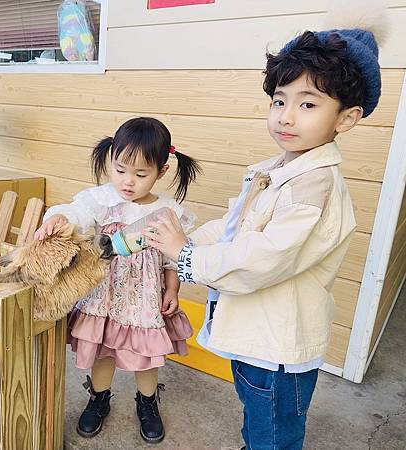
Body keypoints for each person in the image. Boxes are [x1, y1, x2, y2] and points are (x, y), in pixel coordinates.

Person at [145, 22, 384, 449]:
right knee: (258, 417)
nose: (286, 116)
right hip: (254, 335)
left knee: (274, 428)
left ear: (346, 118)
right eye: (279, 100)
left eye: (308, 104)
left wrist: (187, 257)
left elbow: (264, 257)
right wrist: (186, 239)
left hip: (277, 347)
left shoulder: (315, 186)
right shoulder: (274, 169)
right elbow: (236, 227)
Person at [34, 117, 200, 443]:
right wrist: (57, 218)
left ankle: (147, 402)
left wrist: (172, 288)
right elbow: (75, 212)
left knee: (145, 357)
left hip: (143, 299)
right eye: (121, 169)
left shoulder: (168, 211)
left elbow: (172, 257)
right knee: (103, 351)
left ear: (161, 171)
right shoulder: (100, 200)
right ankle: (98, 398)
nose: (128, 181)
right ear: (111, 158)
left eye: (141, 174)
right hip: (102, 296)